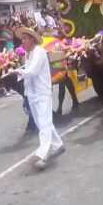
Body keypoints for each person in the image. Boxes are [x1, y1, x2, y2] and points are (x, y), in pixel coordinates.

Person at [13, 27, 65, 169]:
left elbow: (33, 71)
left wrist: (18, 71)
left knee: (44, 123)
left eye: (25, 39)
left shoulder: (39, 52)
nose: (22, 42)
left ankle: (42, 154)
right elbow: (27, 74)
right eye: (21, 39)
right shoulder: (28, 55)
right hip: (32, 93)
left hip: (42, 93)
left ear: (32, 39)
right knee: (42, 122)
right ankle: (58, 144)